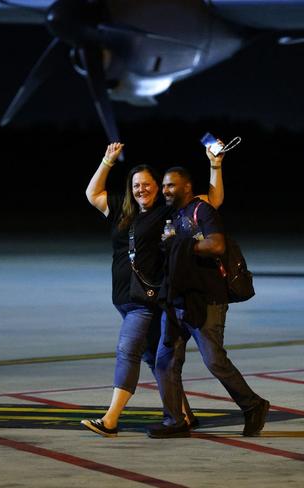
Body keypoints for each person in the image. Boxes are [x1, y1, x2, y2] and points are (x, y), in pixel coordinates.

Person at [81, 142, 225, 437]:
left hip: (144, 300)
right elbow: (92, 194)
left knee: (127, 351)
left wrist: (215, 165)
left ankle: (110, 420)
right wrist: (107, 161)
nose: (140, 190)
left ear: (158, 187)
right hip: (123, 297)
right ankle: (183, 414)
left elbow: (213, 199)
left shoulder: (167, 212)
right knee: (153, 358)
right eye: (136, 185)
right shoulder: (124, 210)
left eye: (146, 185)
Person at [147, 167, 270, 439]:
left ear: (187, 187)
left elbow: (217, 245)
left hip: (207, 300)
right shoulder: (172, 215)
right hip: (177, 299)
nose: (165, 190)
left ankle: (253, 405)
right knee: (165, 361)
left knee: (214, 360)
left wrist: (182, 245)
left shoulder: (201, 211)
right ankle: (174, 421)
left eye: (171, 186)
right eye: (164, 186)